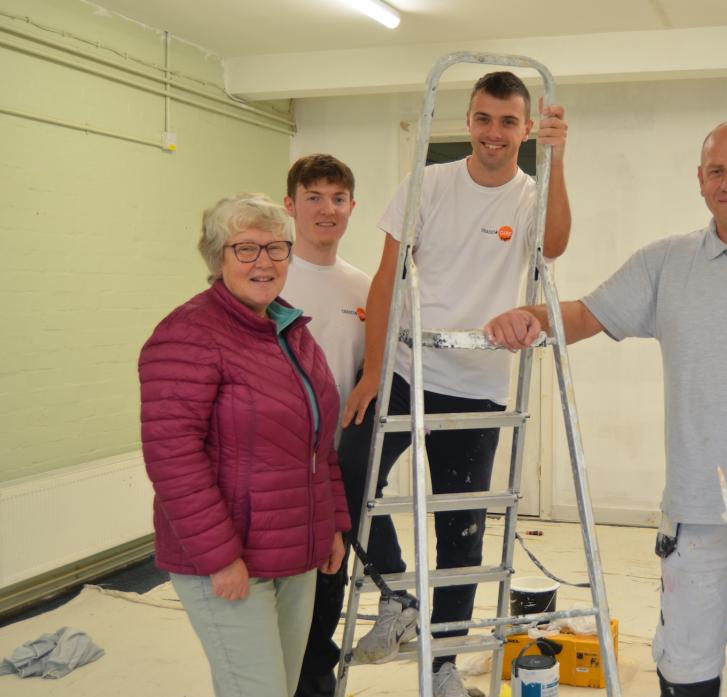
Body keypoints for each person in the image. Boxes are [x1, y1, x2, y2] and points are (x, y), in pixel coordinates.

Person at [486, 121, 727, 697]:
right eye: (717, 171)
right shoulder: (666, 262)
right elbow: (585, 314)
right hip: (696, 506)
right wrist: (526, 318)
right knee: (685, 665)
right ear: (700, 182)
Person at [332, 71, 571, 697]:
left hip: (479, 385)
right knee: (349, 472)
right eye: (485, 119)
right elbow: (387, 279)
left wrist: (557, 159)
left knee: (460, 529)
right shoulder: (426, 184)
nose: (495, 133)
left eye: (509, 122)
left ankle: (442, 660)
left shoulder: (528, 196)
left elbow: (555, 245)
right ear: (469, 121)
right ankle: (397, 593)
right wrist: (372, 372)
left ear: (524, 128)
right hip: (410, 371)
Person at [138, 193, 349, 697]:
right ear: (218, 257)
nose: (265, 262)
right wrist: (218, 558)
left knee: (279, 685)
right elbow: (172, 459)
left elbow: (318, 443)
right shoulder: (187, 334)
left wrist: (332, 526)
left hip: (295, 549)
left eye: (277, 248)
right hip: (228, 558)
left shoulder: (289, 331)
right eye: (246, 249)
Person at [278, 155, 372, 697]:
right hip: (279, 472)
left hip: (338, 474)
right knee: (277, 599)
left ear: (352, 208)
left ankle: (314, 685)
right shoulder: (269, 280)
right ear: (290, 205)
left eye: (338, 198)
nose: (326, 209)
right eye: (313, 196)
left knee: (326, 595)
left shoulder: (364, 289)